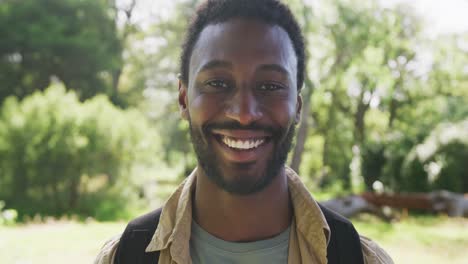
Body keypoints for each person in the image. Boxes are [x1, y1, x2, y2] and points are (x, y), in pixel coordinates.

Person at [95, 0, 394, 263]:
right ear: (183, 99)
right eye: (217, 83)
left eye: (270, 86)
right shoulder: (124, 257)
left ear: (298, 107)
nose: (244, 114)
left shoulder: (360, 259)